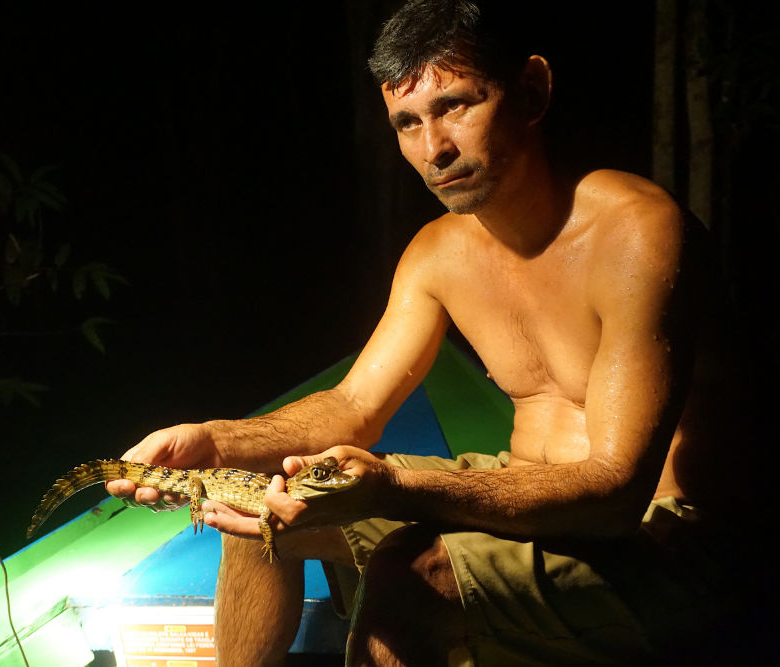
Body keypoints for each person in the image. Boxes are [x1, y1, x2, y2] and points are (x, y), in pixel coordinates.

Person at [108, 1, 743, 664]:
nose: (434, 148)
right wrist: (217, 440)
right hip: (526, 490)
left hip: (661, 539)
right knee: (263, 503)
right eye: (408, 122)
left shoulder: (637, 232)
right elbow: (353, 406)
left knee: (414, 574)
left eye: (457, 106)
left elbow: (617, 488)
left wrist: (394, 486)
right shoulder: (439, 253)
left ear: (532, 90)